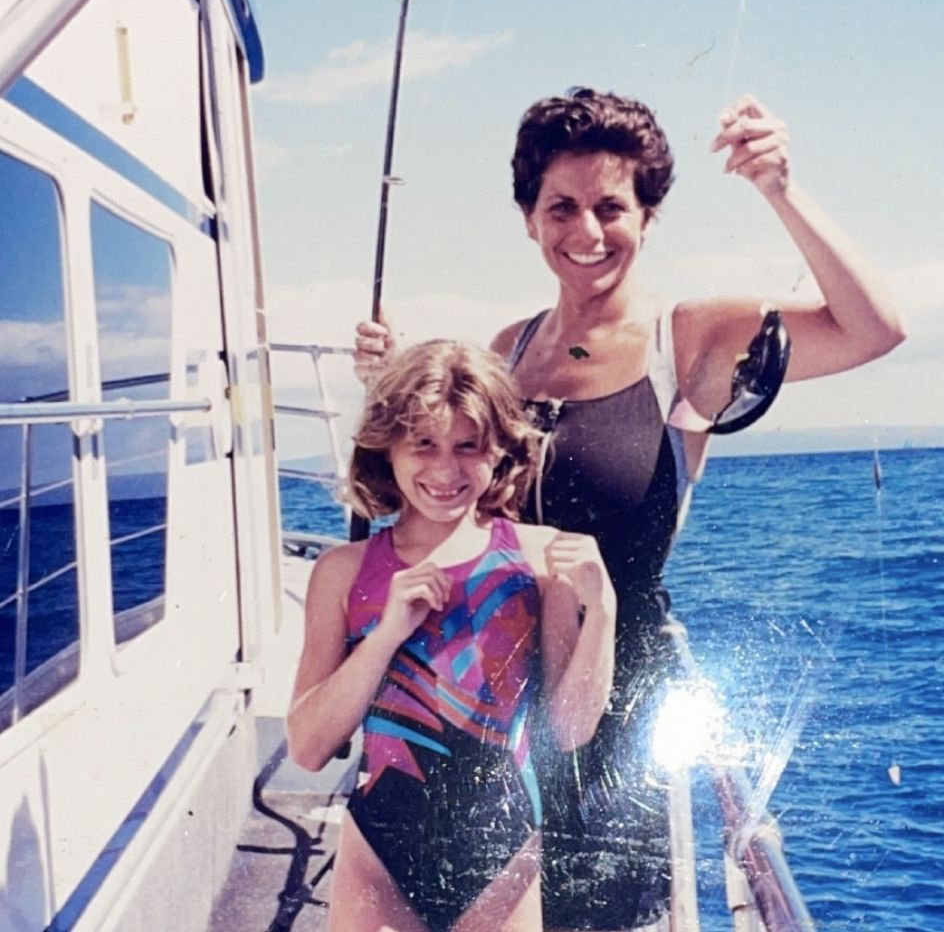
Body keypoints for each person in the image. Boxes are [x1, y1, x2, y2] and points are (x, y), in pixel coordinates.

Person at [353, 90, 906, 931]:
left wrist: (780, 188)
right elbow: (454, 497)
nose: (588, 231)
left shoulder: (689, 341)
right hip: (484, 692)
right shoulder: (506, 351)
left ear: (648, 217)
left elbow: (873, 330)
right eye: (561, 207)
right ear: (529, 220)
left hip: (615, 703)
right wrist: (391, 382)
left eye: (612, 207)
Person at [288, 339, 617, 932]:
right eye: (423, 444)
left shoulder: (541, 559)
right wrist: (385, 636)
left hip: (504, 857)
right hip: (378, 861)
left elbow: (569, 732)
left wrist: (603, 614)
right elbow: (308, 749)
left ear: (500, 450)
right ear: (387, 448)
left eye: (469, 446)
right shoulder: (342, 572)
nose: (445, 470)